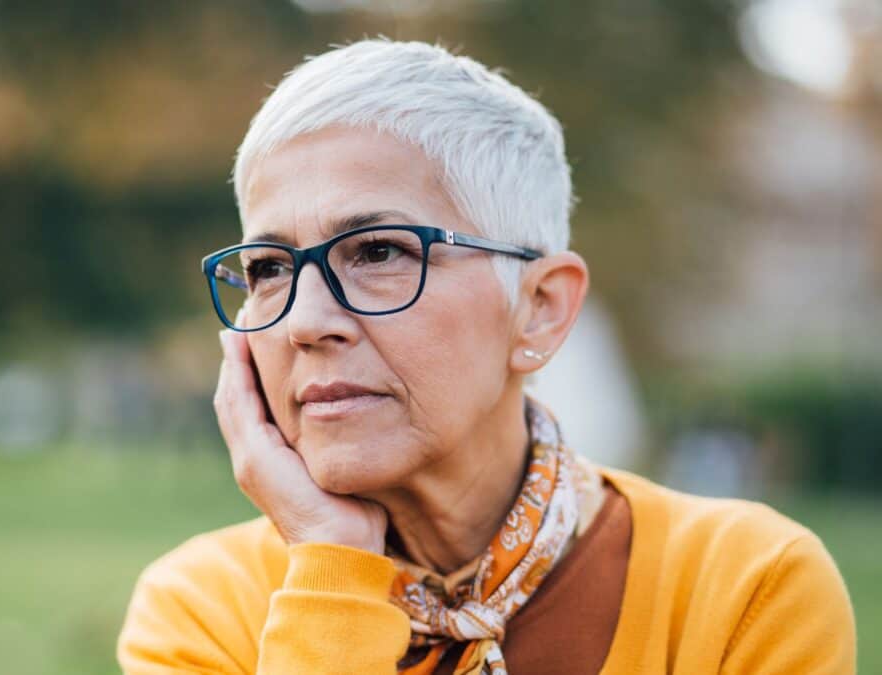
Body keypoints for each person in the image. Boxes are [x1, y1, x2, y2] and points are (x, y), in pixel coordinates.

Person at [117, 39, 856, 674]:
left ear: (540, 307)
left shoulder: (745, 587)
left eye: (378, 250)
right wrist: (331, 572)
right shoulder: (201, 607)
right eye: (270, 267)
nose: (304, 321)